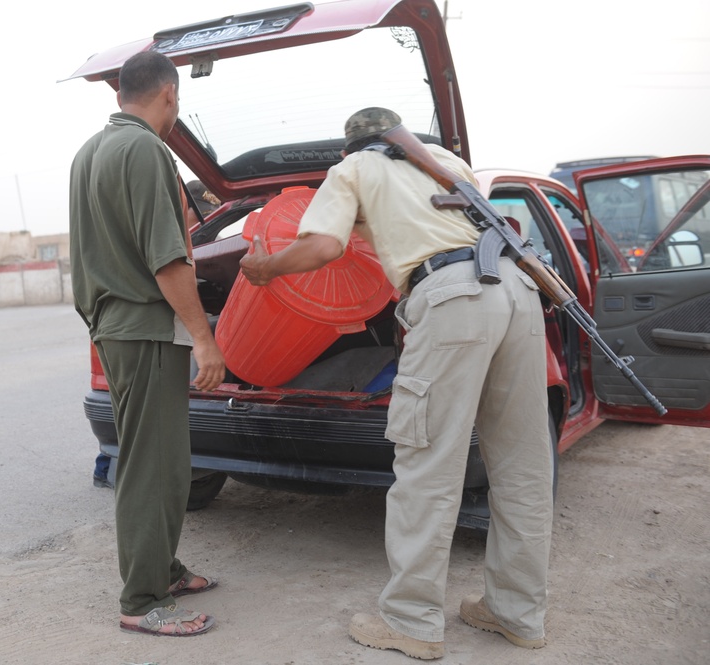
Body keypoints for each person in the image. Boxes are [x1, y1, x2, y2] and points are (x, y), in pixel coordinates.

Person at [239, 108, 553, 659]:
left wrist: (266, 269)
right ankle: (517, 614)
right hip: (519, 292)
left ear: (347, 149)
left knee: (427, 465)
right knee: (523, 466)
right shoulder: (445, 162)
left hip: (453, 297)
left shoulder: (354, 169)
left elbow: (323, 248)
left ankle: (411, 622)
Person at [68, 50, 226, 637]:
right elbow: (167, 259)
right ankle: (142, 599)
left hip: (114, 326)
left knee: (162, 461)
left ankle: (164, 567)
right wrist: (205, 341)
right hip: (145, 328)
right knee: (150, 467)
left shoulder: (92, 151)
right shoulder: (146, 151)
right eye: (177, 101)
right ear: (168, 96)